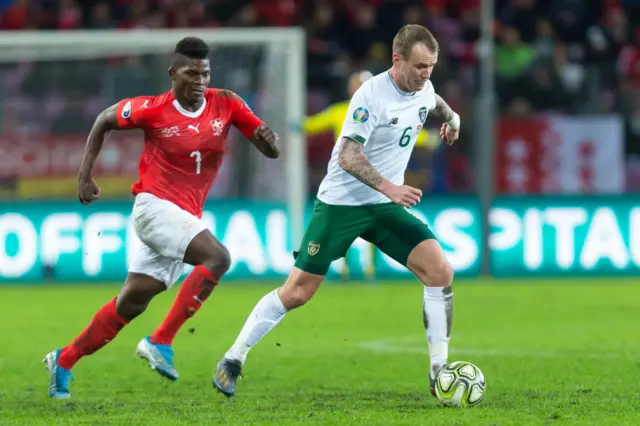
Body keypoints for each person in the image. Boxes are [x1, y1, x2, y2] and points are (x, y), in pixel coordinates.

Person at [213, 24, 460, 398]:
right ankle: (233, 358)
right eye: (419, 66)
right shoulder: (370, 96)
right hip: (342, 203)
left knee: (440, 271)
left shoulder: (423, 87)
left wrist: (452, 119)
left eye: (432, 66)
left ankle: (439, 372)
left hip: (382, 205)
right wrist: (391, 187)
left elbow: (435, 101)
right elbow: (347, 155)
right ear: (397, 60)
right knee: (297, 292)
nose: (426, 75)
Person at [43, 37, 280, 399]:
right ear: (173, 74)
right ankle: (160, 341)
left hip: (182, 218)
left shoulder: (227, 103)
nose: (200, 80)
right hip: (154, 209)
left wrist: (269, 140)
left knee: (130, 304)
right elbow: (104, 119)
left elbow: (269, 149)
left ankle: (63, 360)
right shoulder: (152, 110)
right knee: (218, 258)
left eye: (205, 73)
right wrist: (84, 176)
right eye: (192, 73)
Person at [304, 70, 431, 279]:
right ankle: (345, 266)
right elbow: (312, 124)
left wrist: (428, 138)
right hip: (348, 177)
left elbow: (408, 132)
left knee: (375, 222)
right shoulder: (340, 111)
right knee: (345, 224)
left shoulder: (385, 109)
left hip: (375, 177)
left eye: (361, 84)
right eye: (355, 84)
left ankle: (370, 268)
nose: (358, 88)